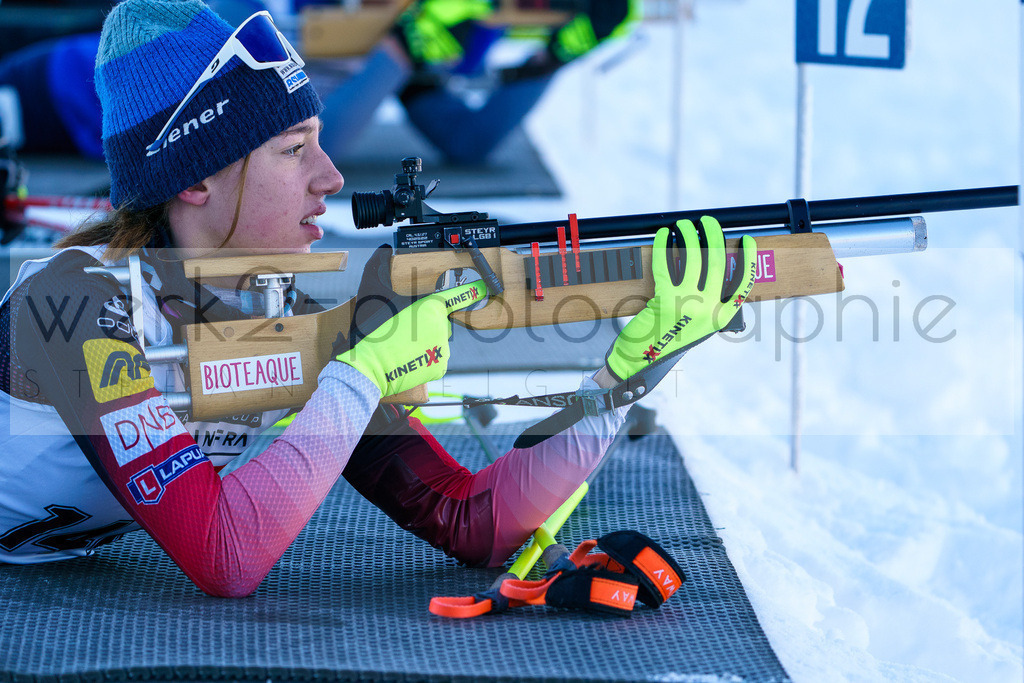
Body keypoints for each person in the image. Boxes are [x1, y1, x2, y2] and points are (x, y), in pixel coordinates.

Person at [0, 0, 756, 598]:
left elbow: (472, 523)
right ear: (195, 178)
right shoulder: (74, 305)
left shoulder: (279, 308)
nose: (330, 177)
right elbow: (224, 554)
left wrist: (618, 383)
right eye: (294, 149)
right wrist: (357, 376)